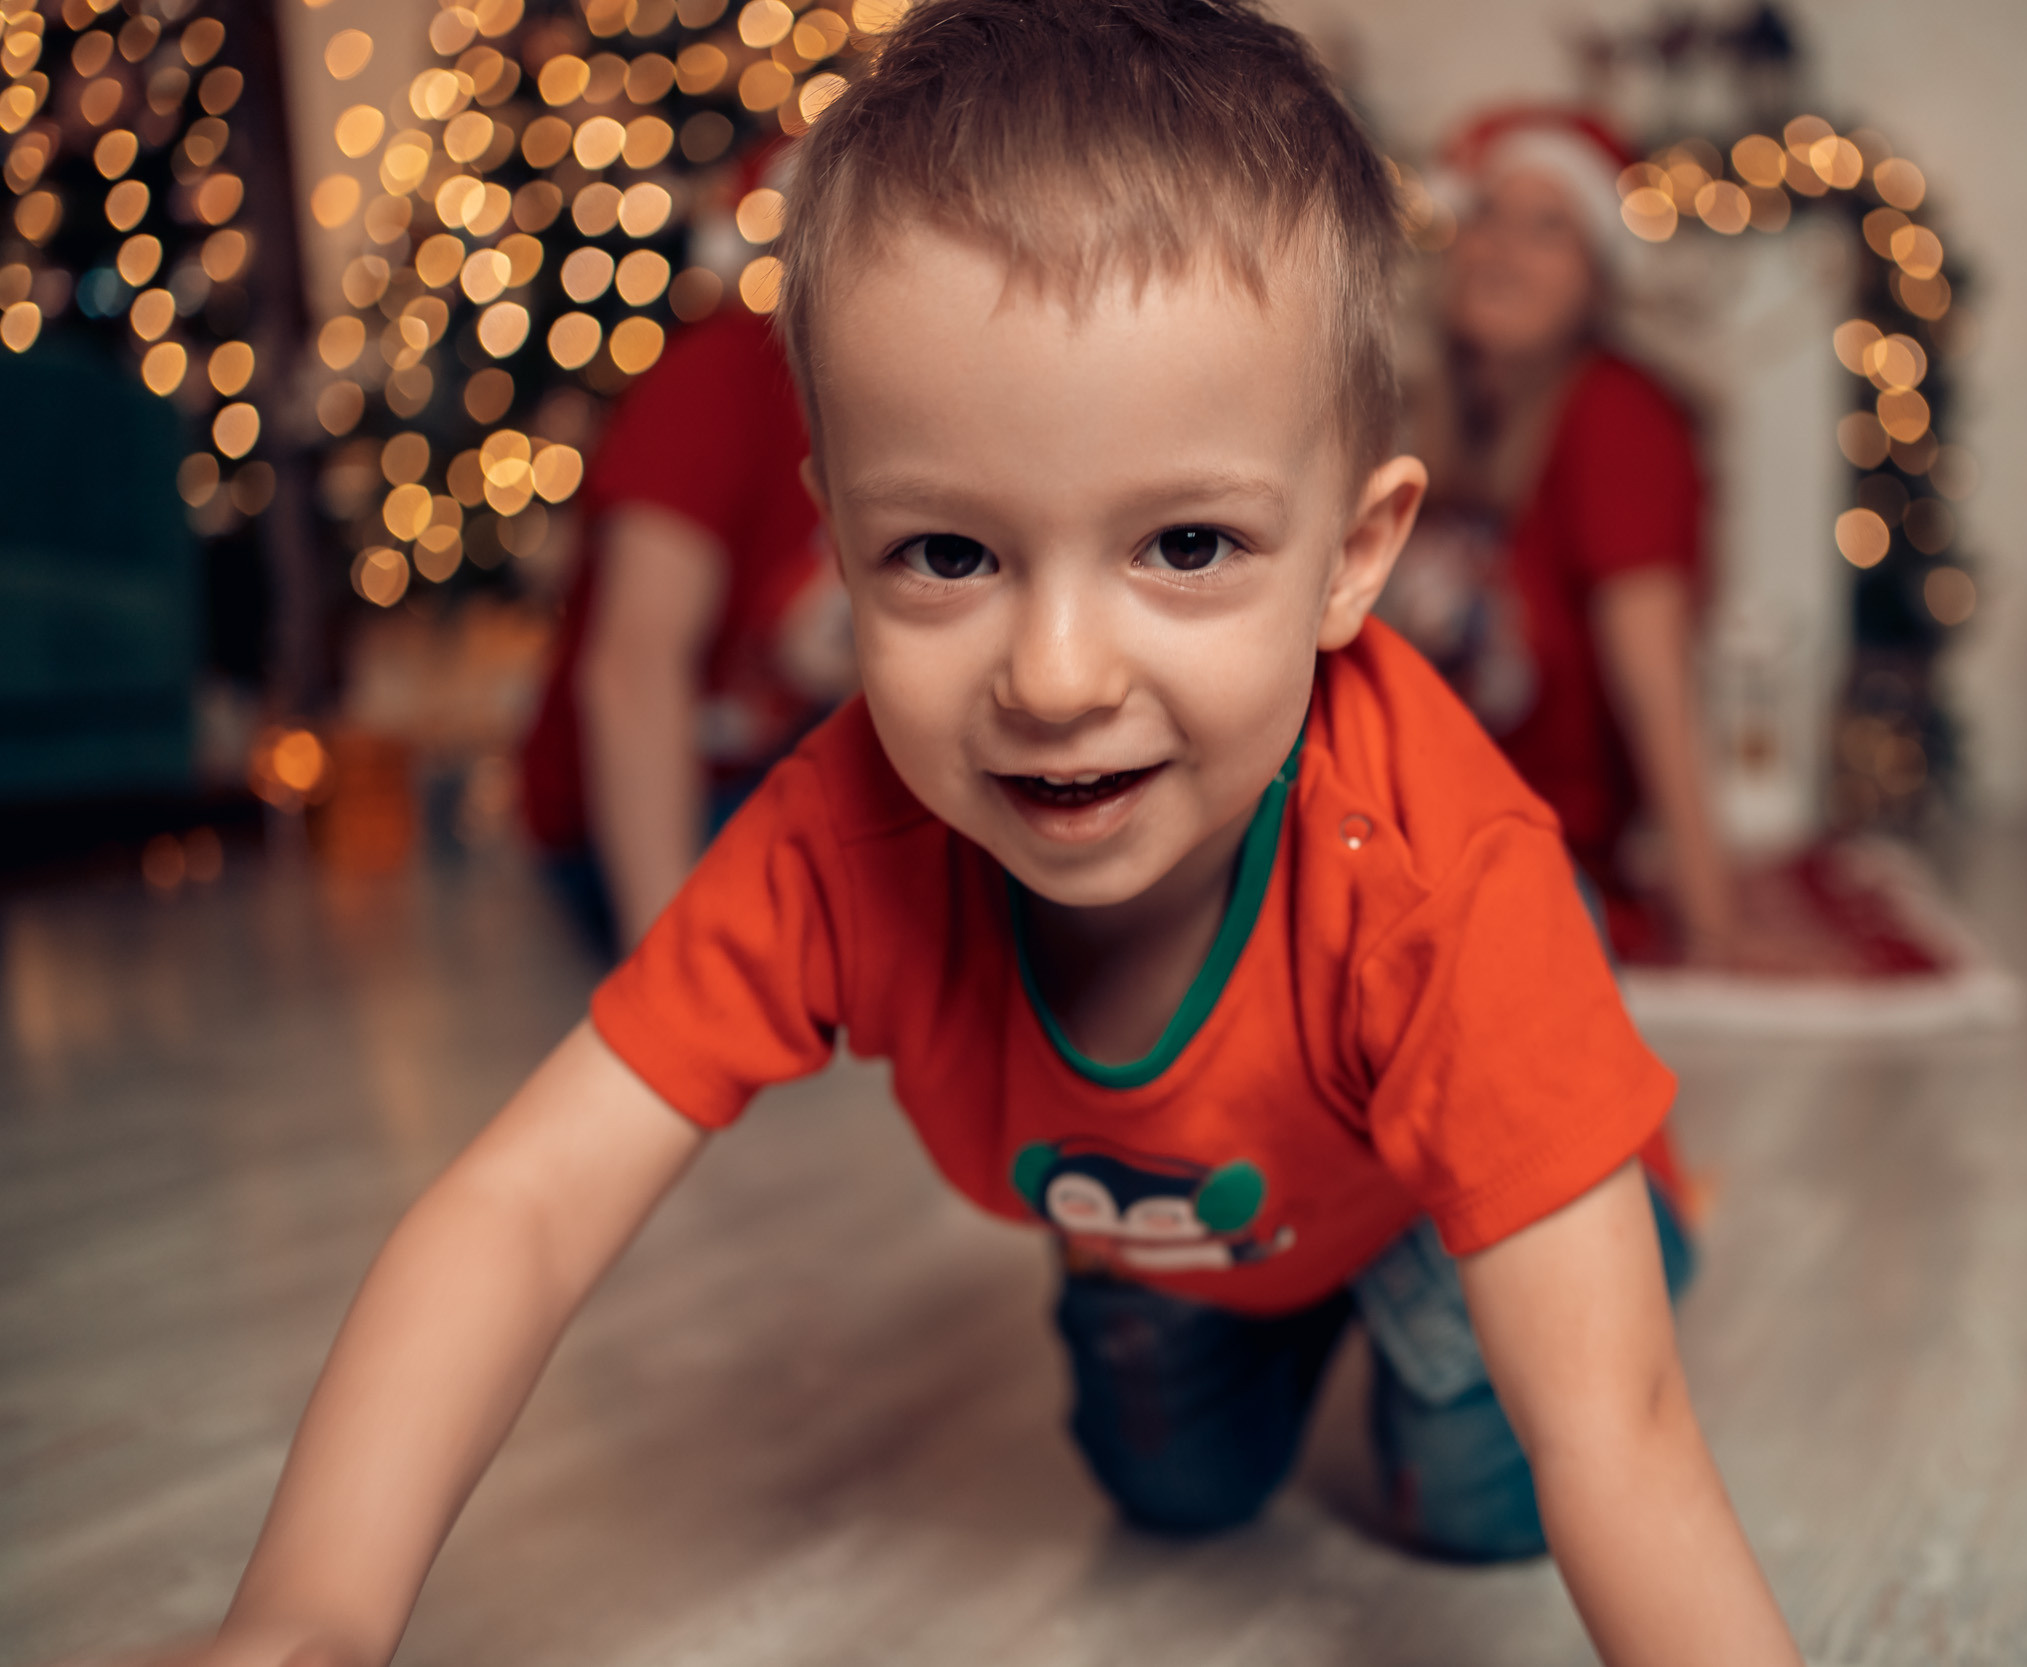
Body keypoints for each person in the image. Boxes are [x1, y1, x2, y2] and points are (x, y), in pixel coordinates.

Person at [101, 6, 1800, 1665]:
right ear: (840, 548)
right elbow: (527, 1201)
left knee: (1486, 1490)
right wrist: (308, 1613)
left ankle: (1606, 1206)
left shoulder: (1436, 868)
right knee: (1173, 1492)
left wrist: (1570, 1341)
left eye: (1188, 545)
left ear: (1354, 557)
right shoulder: (842, 839)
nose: (1056, 679)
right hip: (1182, 1225)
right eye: (950, 556)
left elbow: (1626, 1440)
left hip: (1427, 1187)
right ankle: (1287, 1302)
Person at [1386, 110, 1739, 966]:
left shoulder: (1618, 416)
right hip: (1404, 827)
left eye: (1549, 230)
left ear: (1598, 281)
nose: (1503, 249)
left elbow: (1654, 679)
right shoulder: (1437, 416)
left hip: (1528, 857)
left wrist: (1714, 925)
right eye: (1488, 218)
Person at [518, 155, 854, 957]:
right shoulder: (718, 381)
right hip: (653, 803)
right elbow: (631, 670)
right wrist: (665, 969)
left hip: (782, 756)